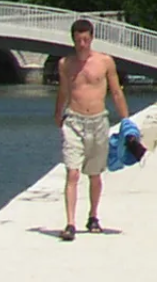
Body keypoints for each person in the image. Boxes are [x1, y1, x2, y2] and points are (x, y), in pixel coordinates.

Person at [53, 18, 130, 242]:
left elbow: (116, 92)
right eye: (78, 40)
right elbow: (64, 91)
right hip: (74, 121)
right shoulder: (65, 64)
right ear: (73, 40)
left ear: (92, 38)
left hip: (98, 121)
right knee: (72, 172)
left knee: (95, 175)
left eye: (86, 39)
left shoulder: (105, 62)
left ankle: (93, 216)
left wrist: (126, 121)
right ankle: (70, 223)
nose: (83, 44)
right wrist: (58, 113)